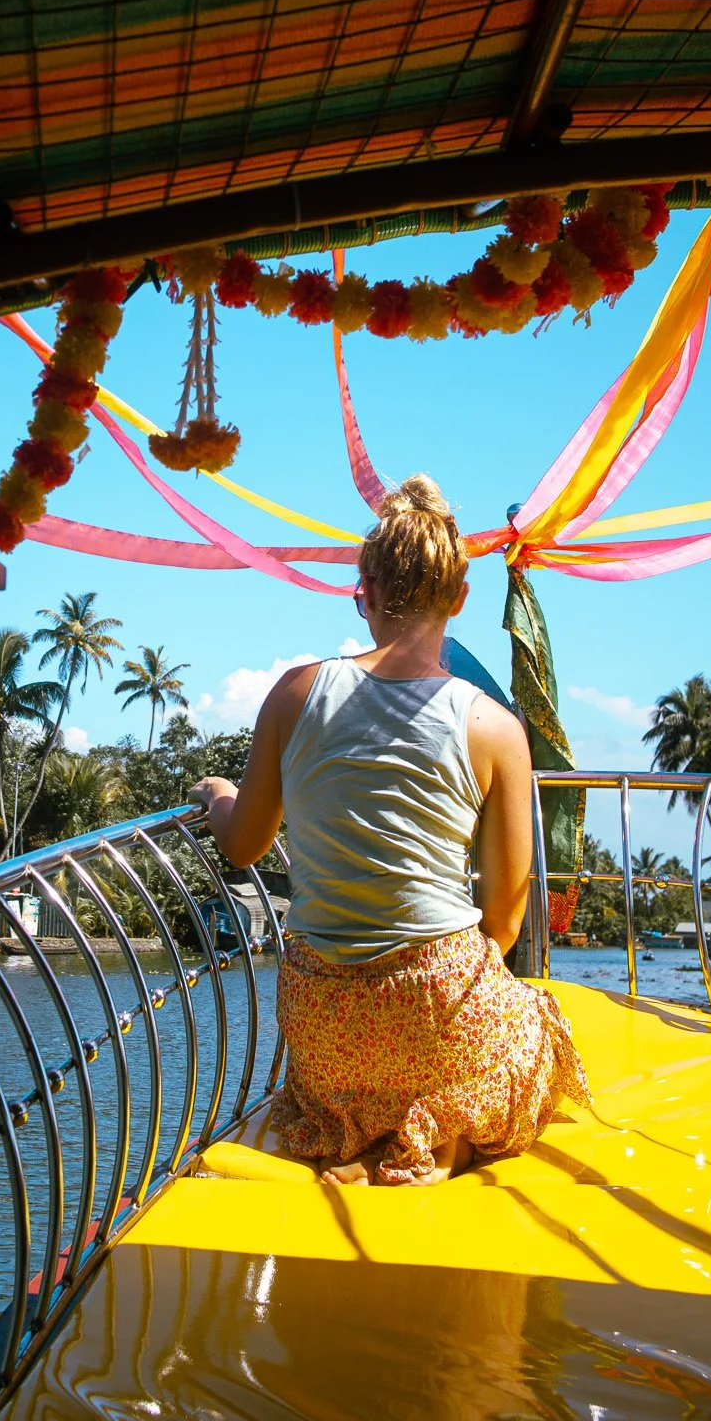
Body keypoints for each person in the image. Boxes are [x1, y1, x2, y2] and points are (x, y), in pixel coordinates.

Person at [191, 474, 589, 1186]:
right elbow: (502, 916)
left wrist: (216, 793)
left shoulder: (294, 693)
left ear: (364, 592)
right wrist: (428, 986)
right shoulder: (494, 728)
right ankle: (443, 1133)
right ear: (459, 599)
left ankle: (363, 1122)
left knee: (358, 1052)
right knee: (537, 1024)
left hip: (323, 1020)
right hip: (436, 1007)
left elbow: (243, 843)